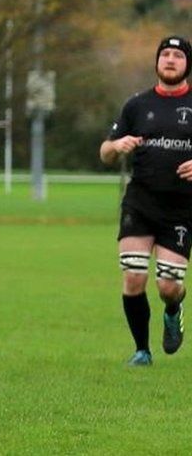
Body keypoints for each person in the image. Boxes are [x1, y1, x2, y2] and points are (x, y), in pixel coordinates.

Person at [100, 35, 190, 367]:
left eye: (177, 56)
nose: (170, 60)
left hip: (181, 209)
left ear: (187, 65)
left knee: (168, 286)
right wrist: (117, 145)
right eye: (164, 54)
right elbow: (105, 152)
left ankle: (173, 308)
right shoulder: (137, 105)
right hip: (140, 202)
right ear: (157, 62)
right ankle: (142, 350)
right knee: (134, 277)